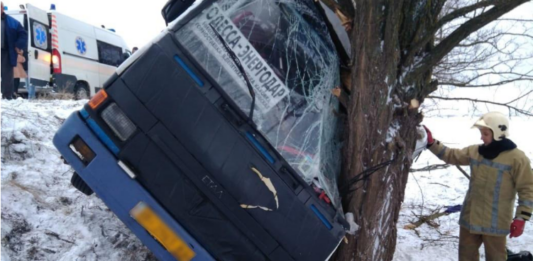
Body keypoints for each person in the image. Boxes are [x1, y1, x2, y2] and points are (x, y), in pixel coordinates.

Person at [424, 111, 533, 261]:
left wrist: (521, 218)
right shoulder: (475, 151)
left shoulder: (517, 159)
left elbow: (527, 189)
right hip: (470, 220)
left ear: (498, 133)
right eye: (481, 133)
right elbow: (451, 155)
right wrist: (431, 143)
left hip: (496, 224)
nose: (481, 137)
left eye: (485, 133)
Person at [1, 1, 28, 100]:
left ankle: (7, 96)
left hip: (6, 51)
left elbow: (23, 35)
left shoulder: (13, 22)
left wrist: (18, 45)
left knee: (7, 75)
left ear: (2, 9)